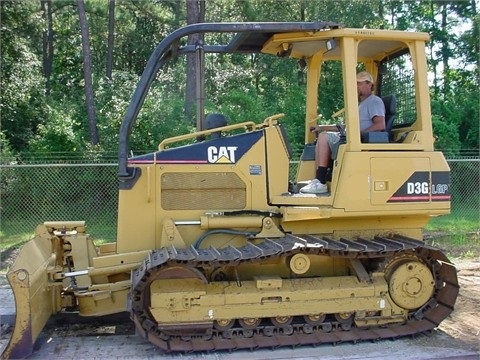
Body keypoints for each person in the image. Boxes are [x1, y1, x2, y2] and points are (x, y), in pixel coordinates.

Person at [300, 71, 386, 194]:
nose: (356, 87)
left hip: (360, 140)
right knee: (321, 136)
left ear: (369, 84)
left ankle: (320, 180)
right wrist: (321, 127)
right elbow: (345, 127)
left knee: (324, 138)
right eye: (355, 84)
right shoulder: (361, 104)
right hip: (351, 137)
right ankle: (318, 180)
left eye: (359, 84)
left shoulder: (374, 101)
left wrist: (358, 134)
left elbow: (380, 124)